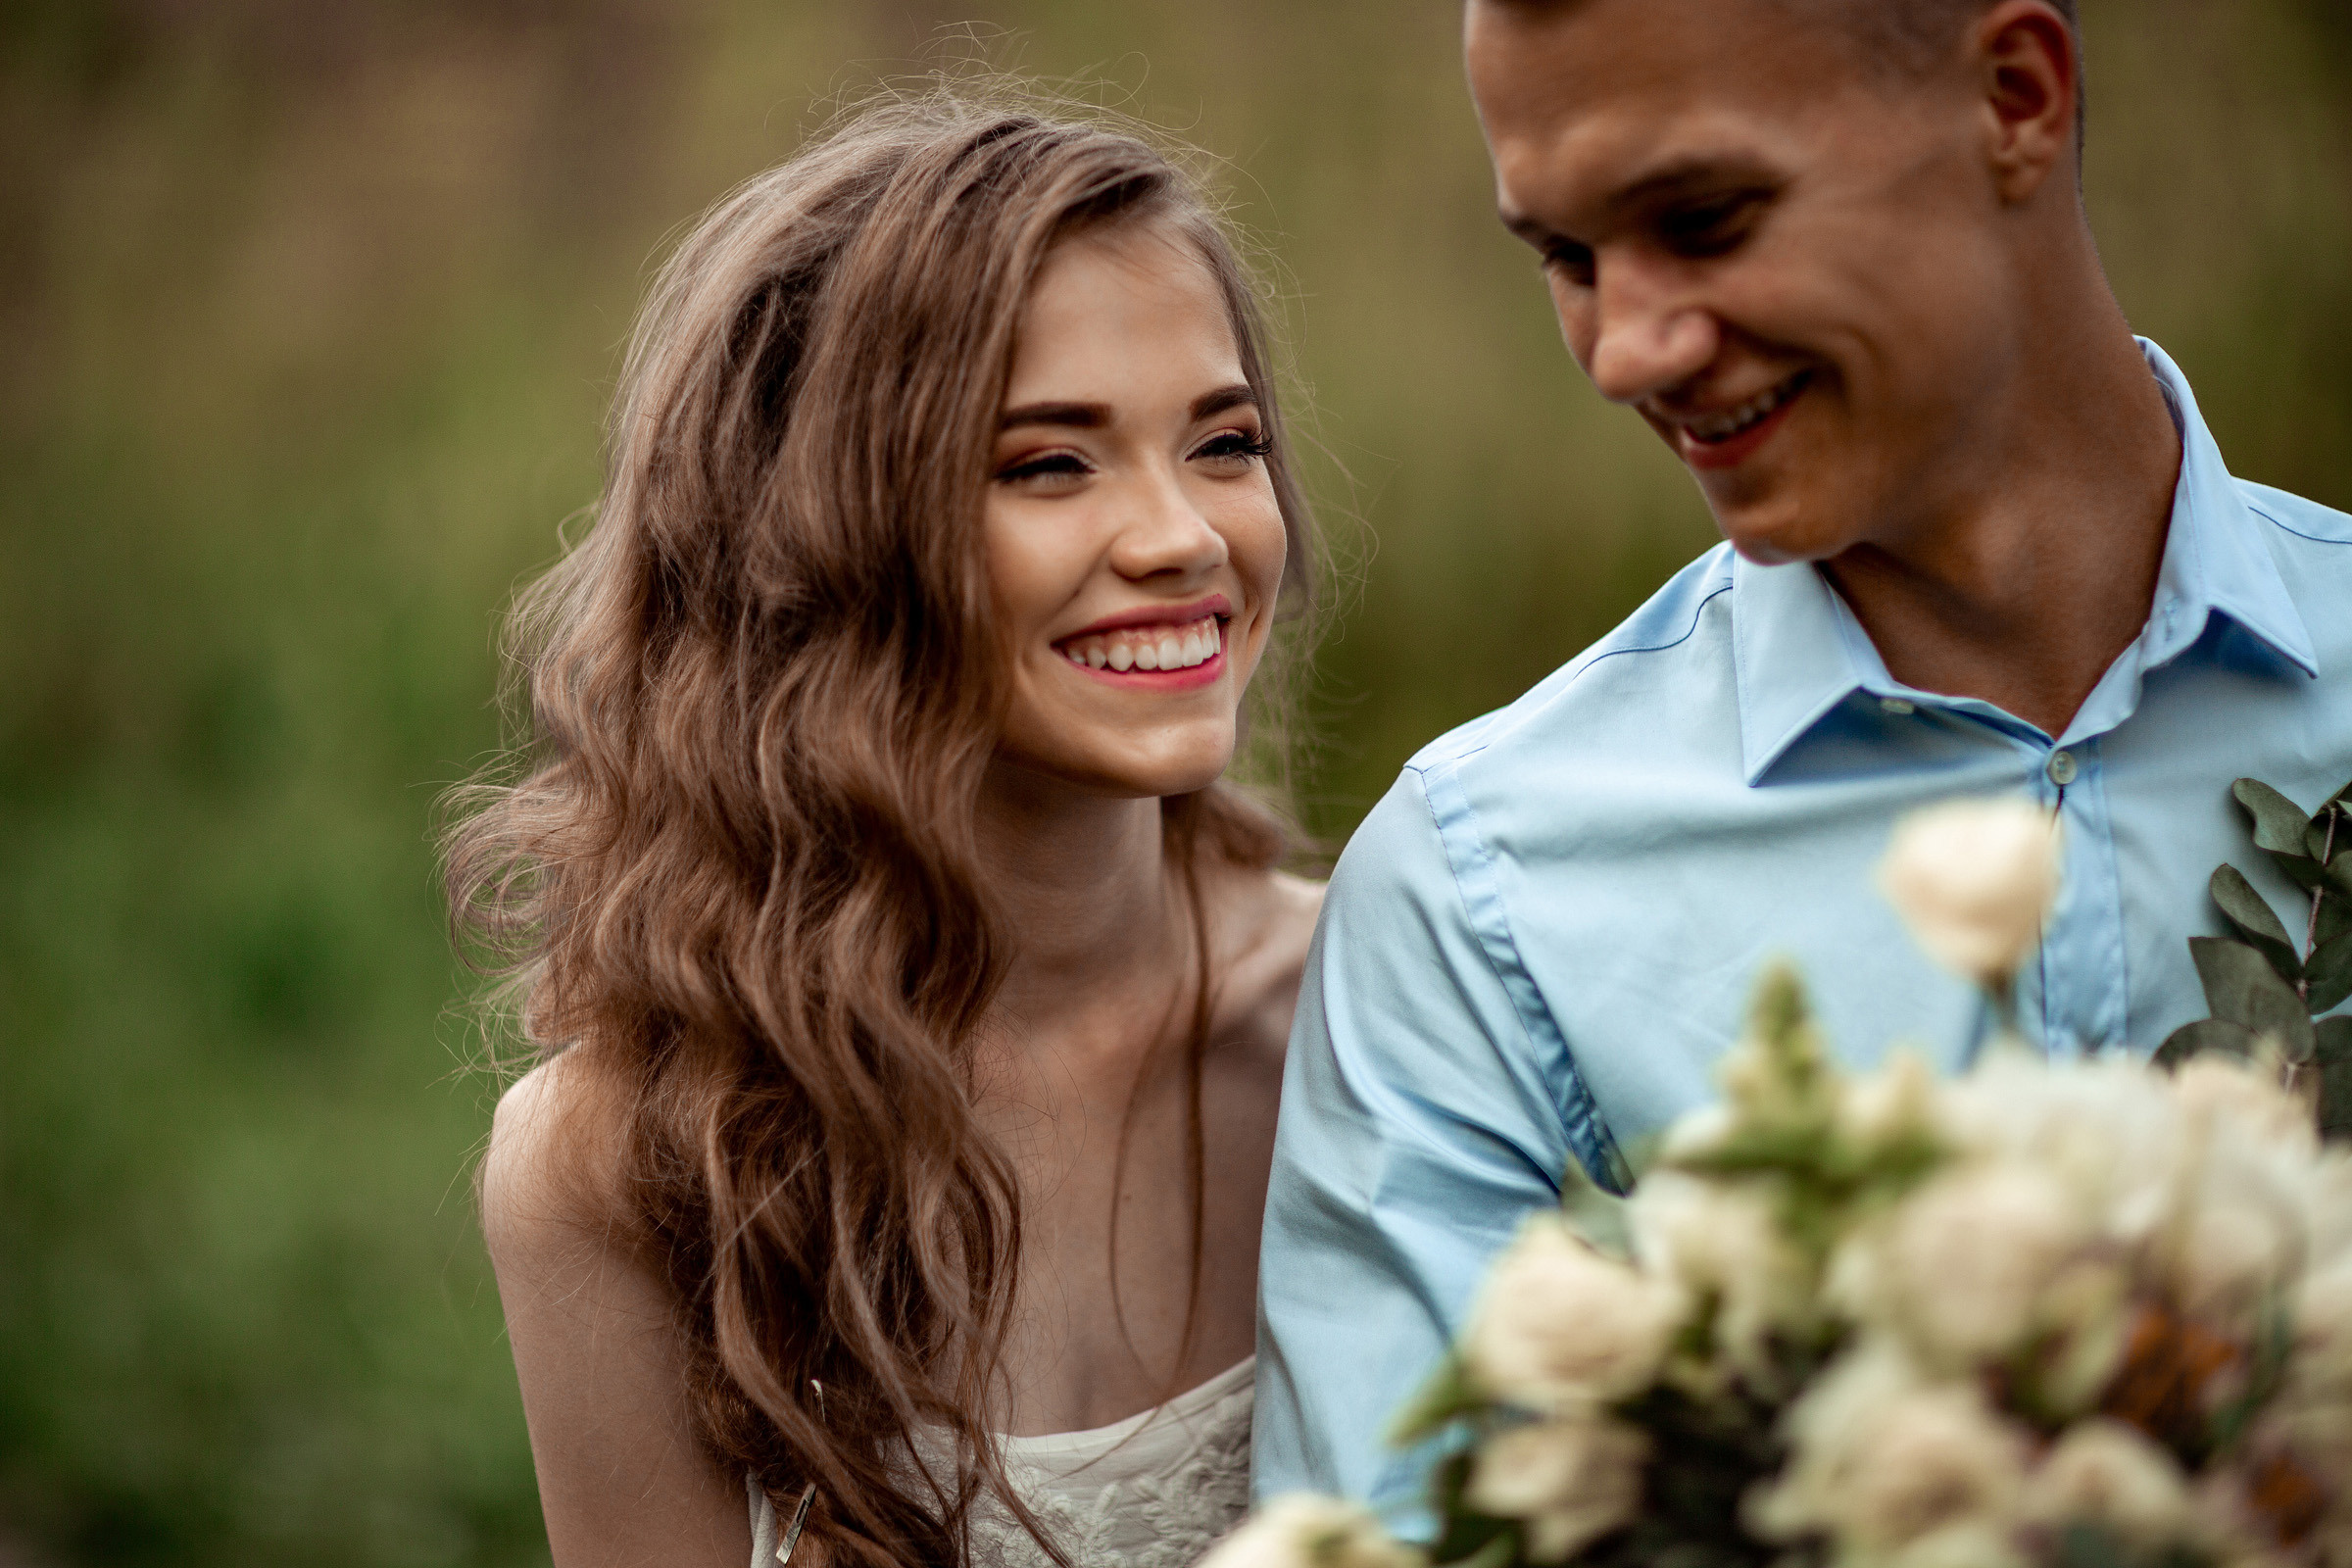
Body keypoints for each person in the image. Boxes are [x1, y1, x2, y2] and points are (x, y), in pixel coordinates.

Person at [1253, 0, 2352, 1528]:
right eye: (1566, 259)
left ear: (2016, 98)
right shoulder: (1476, 895)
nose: (1625, 350)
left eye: (1704, 219)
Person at [446, 88, 1325, 1568]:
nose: (1181, 536)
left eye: (1224, 443)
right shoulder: (628, 1163)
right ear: (824, 536)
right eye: (1051, 462)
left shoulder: (1374, 1007)